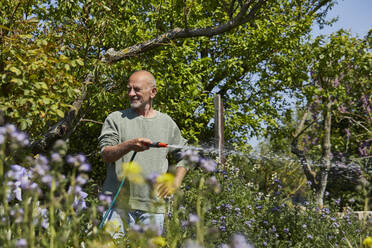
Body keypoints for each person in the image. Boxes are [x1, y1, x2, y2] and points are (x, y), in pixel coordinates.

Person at [98, 70, 187, 238]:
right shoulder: (116, 119)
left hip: (153, 209)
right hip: (116, 206)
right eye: (129, 89)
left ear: (153, 92)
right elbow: (106, 154)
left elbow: (185, 156)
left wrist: (176, 182)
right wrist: (129, 145)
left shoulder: (166, 123)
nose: (131, 93)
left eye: (137, 89)